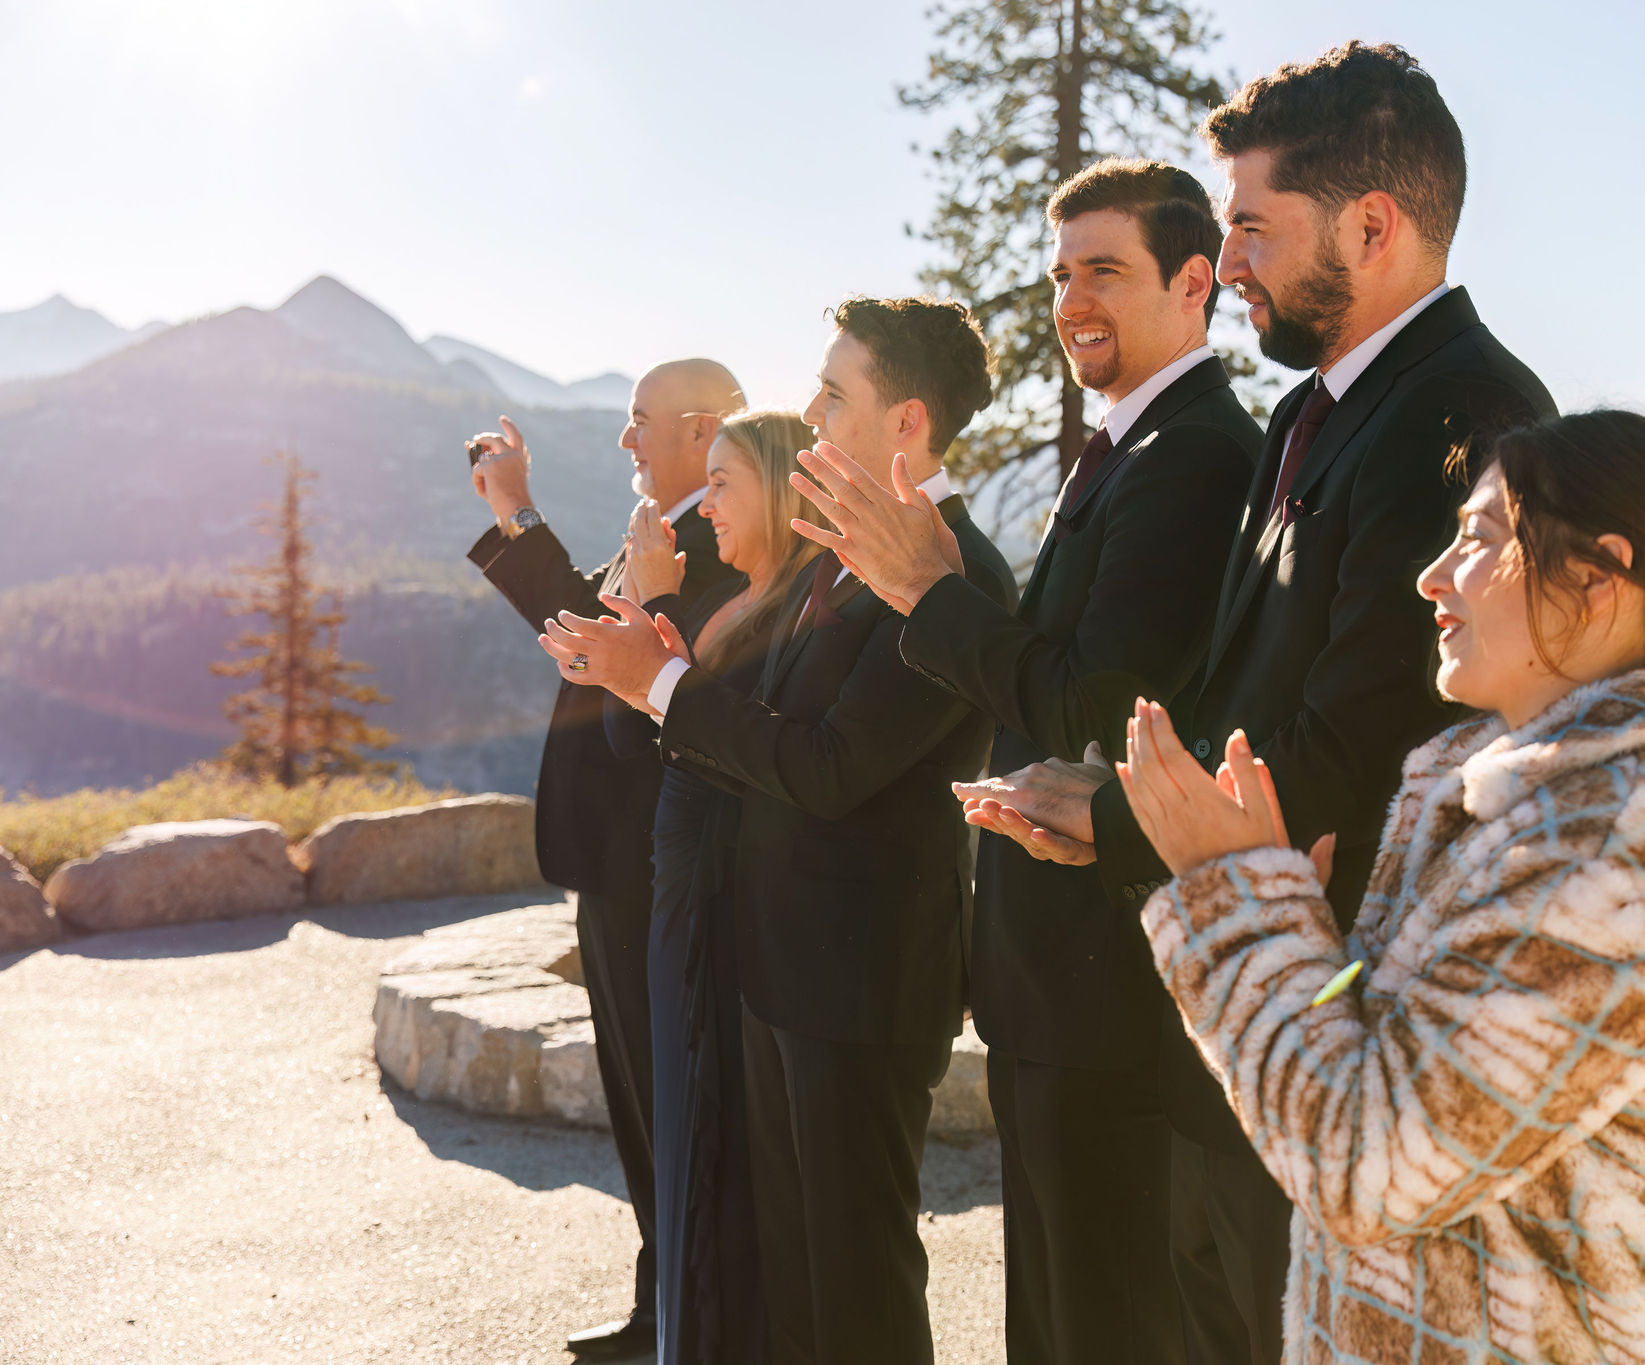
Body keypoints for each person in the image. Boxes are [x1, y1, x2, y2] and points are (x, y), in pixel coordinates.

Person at [954, 43, 1555, 1365]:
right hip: (1242, 1016)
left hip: (1348, 1032)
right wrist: (1107, 801)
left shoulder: (1464, 416)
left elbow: (1364, 746)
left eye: (1250, 230)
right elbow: (1235, 699)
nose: (1229, 266)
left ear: (1374, 226)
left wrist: (1116, 824)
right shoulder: (1308, 418)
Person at [1115, 409, 1645, 1364]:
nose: (1433, 577)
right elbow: (1407, 1061)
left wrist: (1237, 912)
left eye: (1477, 538)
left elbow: (1369, 1162)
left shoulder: (1609, 855)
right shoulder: (1532, 800)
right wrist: (1297, 931)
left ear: (1596, 580)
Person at [791, 160, 1257, 1364]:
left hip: (1103, 984)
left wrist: (928, 594)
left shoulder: (1194, 456)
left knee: (1098, 1325)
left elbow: (1094, 707)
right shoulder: (1128, 445)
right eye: (1060, 273)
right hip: (1051, 979)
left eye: (1105, 268)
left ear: (1194, 280)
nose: (1072, 298)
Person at [539, 296, 1017, 1365]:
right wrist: (664, 665)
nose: (807, 409)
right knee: (797, 1278)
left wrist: (658, 682)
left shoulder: (952, 574)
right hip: (780, 963)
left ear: (904, 424)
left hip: (858, 981)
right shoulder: (836, 558)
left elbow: (828, 768)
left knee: (855, 1288)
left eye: (833, 392)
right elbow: (771, 734)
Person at [466, 358, 744, 1360]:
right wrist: (516, 515)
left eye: (640, 421)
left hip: (658, 864)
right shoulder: (659, 532)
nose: (625, 441)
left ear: (701, 427)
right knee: (637, 1093)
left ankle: (686, 1311)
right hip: (611, 864)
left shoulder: (720, 535)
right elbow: (579, 629)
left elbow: (655, 666)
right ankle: (658, 1297)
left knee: (668, 1093)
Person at [599, 411, 817, 1365]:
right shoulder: (744, 600)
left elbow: (721, 738)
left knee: (718, 1157)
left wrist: (661, 612)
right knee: (687, 1139)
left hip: (725, 908)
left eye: (726, 484)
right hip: (681, 895)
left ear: (777, 488)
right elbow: (639, 732)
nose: (707, 506)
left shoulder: (782, 609)